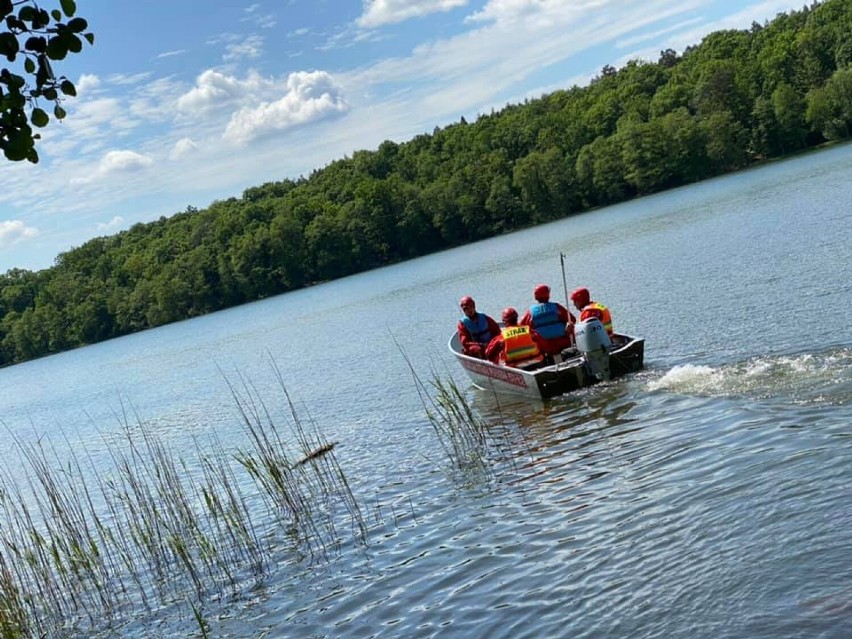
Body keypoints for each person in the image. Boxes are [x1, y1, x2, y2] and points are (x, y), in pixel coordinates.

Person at [520, 284, 575, 355]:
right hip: (563, 343)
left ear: (536, 297)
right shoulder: (557, 307)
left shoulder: (530, 312)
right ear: (548, 295)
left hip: (544, 347)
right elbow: (572, 319)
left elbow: (521, 328)